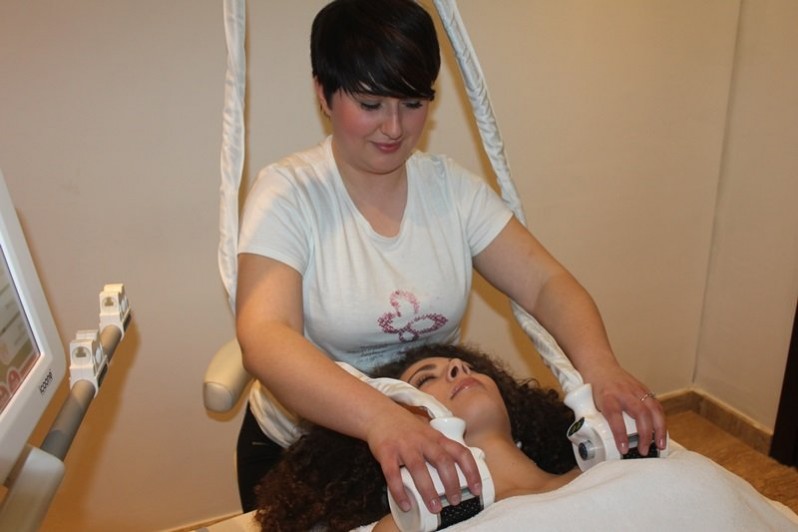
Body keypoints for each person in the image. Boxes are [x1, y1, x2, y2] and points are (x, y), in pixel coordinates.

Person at [235, 0, 666, 514]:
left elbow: (545, 283)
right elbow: (266, 335)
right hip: (312, 455)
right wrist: (382, 418)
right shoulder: (289, 194)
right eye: (371, 104)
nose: (394, 128)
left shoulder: (450, 191)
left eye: (412, 103)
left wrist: (601, 368)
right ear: (323, 94)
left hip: (441, 442)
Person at [251, 344, 798, 531]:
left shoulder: (612, 464)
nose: (457, 370)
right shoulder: (411, 522)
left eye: (464, 366)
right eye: (427, 378)